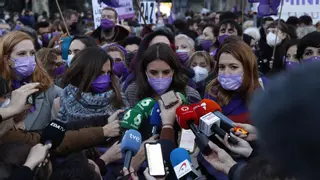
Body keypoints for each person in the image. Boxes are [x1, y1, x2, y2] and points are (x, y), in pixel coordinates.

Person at [125, 43, 201, 139]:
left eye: (166, 72)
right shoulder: (132, 91)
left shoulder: (190, 94)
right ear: (145, 72)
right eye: (153, 72)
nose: (160, 77)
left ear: (173, 71)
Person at [0, 31, 62, 130]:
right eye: (22, 54)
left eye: (32, 53)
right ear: (7, 59)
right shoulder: (2, 90)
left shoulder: (49, 90)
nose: (29, 58)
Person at [52, 47, 127, 127]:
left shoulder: (119, 99)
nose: (105, 78)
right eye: (100, 73)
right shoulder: (60, 102)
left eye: (108, 73)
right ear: (83, 73)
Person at [206, 40, 260, 124]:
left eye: (233, 67)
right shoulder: (211, 93)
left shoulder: (264, 94)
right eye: (222, 67)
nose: (226, 72)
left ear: (248, 69)